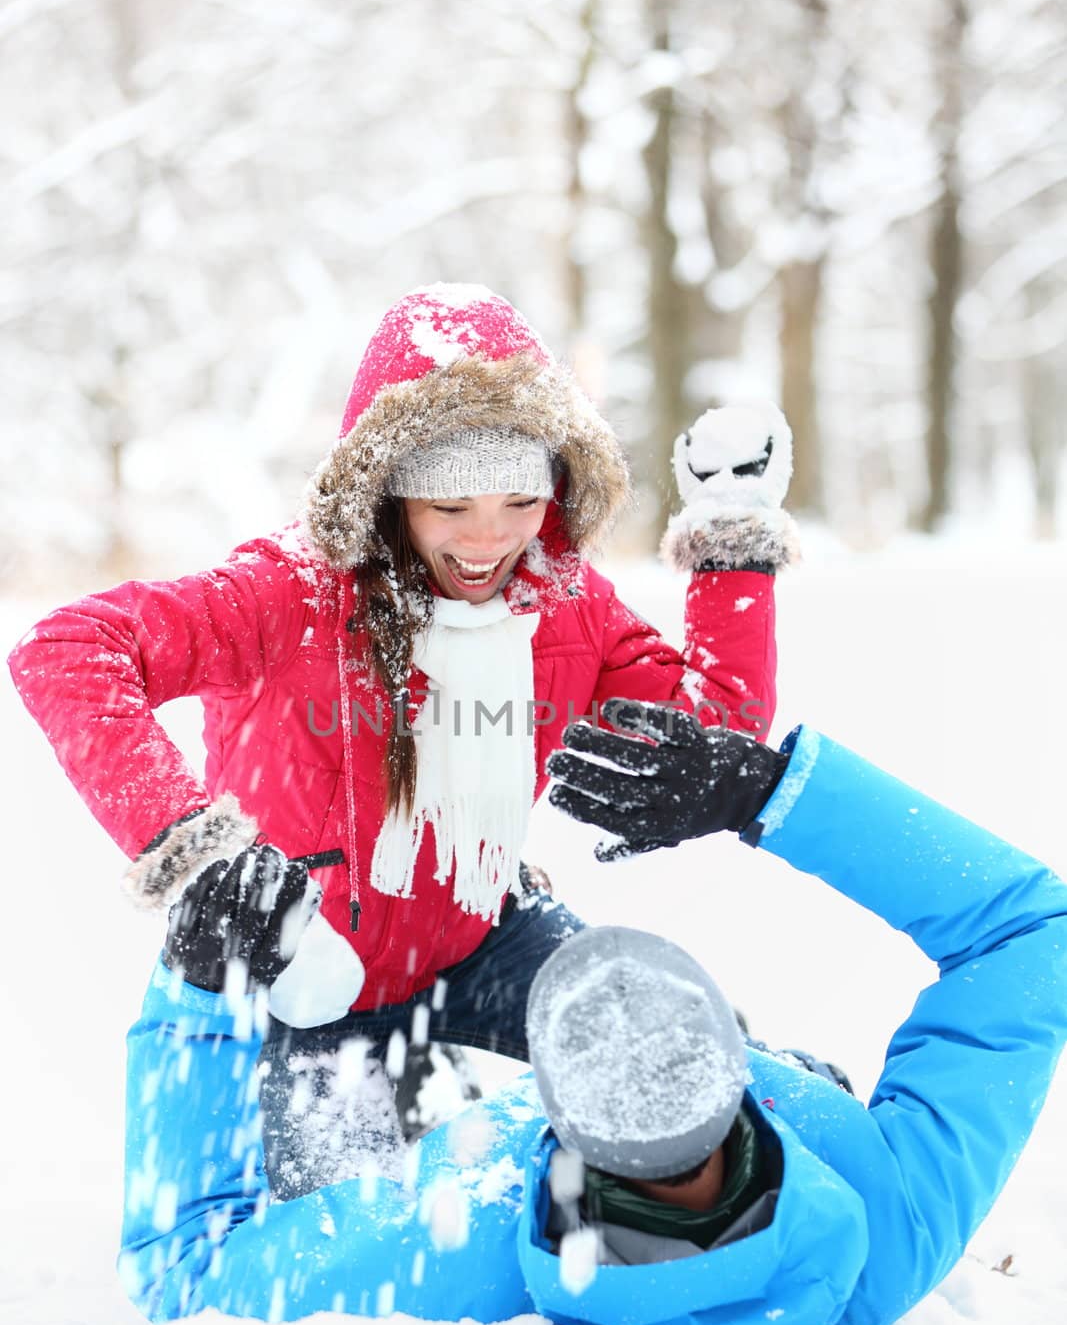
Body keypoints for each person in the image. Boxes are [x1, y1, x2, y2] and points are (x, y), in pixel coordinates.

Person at [8, 284, 798, 1198]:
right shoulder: (289, 594)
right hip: (304, 976)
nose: (489, 538)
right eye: (450, 507)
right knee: (360, 1237)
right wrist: (193, 852)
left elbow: (708, 734)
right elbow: (67, 650)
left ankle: (804, 1126)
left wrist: (731, 552)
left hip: (477, 935)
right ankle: (401, 1096)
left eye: (519, 501)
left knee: (671, 1062)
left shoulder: (561, 604)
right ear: (388, 498)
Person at [118, 702, 1067, 1325]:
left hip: (401, 1134)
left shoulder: (455, 1249)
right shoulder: (889, 1215)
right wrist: (772, 791)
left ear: (554, 1115)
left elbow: (185, 1278)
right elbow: (1033, 933)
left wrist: (201, 991)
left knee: (324, 1066)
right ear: (742, 1075)